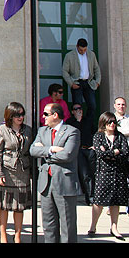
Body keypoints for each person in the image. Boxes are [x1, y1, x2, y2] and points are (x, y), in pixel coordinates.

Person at [30, 102, 81, 243]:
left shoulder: (72, 131)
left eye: (46, 114)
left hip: (64, 182)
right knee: (48, 223)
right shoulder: (42, 131)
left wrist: (44, 151)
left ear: (55, 115)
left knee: (67, 224)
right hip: (46, 183)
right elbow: (33, 150)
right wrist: (52, 149)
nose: (43, 116)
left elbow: (68, 155)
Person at [0, 102, 33, 244]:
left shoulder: (28, 130)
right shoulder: (1, 130)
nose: (20, 117)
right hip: (7, 171)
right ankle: (3, 234)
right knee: (3, 205)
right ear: (10, 116)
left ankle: (17, 235)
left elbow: (30, 152)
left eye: (22, 114)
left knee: (19, 207)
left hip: (22, 172)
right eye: (17, 115)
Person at [87, 111, 129, 240]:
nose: (112, 124)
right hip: (103, 173)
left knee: (115, 201)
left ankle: (114, 226)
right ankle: (93, 226)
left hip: (118, 173)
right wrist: (115, 152)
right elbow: (100, 155)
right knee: (99, 200)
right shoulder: (98, 136)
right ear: (104, 123)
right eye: (109, 122)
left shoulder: (120, 137)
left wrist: (109, 153)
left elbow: (124, 153)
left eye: (114, 122)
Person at [62, 38, 101, 116]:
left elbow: (96, 68)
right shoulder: (69, 55)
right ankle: (78, 124)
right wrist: (71, 84)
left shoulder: (91, 54)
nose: (83, 52)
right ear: (77, 46)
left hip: (89, 82)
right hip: (77, 82)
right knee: (77, 107)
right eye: (80, 50)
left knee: (92, 105)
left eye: (84, 50)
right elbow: (65, 71)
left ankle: (89, 125)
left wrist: (97, 82)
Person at [66, 103, 95, 206]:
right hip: (79, 151)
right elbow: (74, 134)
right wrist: (78, 121)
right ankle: (90, 198)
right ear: (72, 111)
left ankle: (94, 196)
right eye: (76, 109)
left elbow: (94, 132)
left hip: (90, 150)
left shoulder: (88, 120)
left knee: (93, 173)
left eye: (80, 108)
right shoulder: (70, 123)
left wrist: (94, 145)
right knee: (85, 175)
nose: (79, 111)